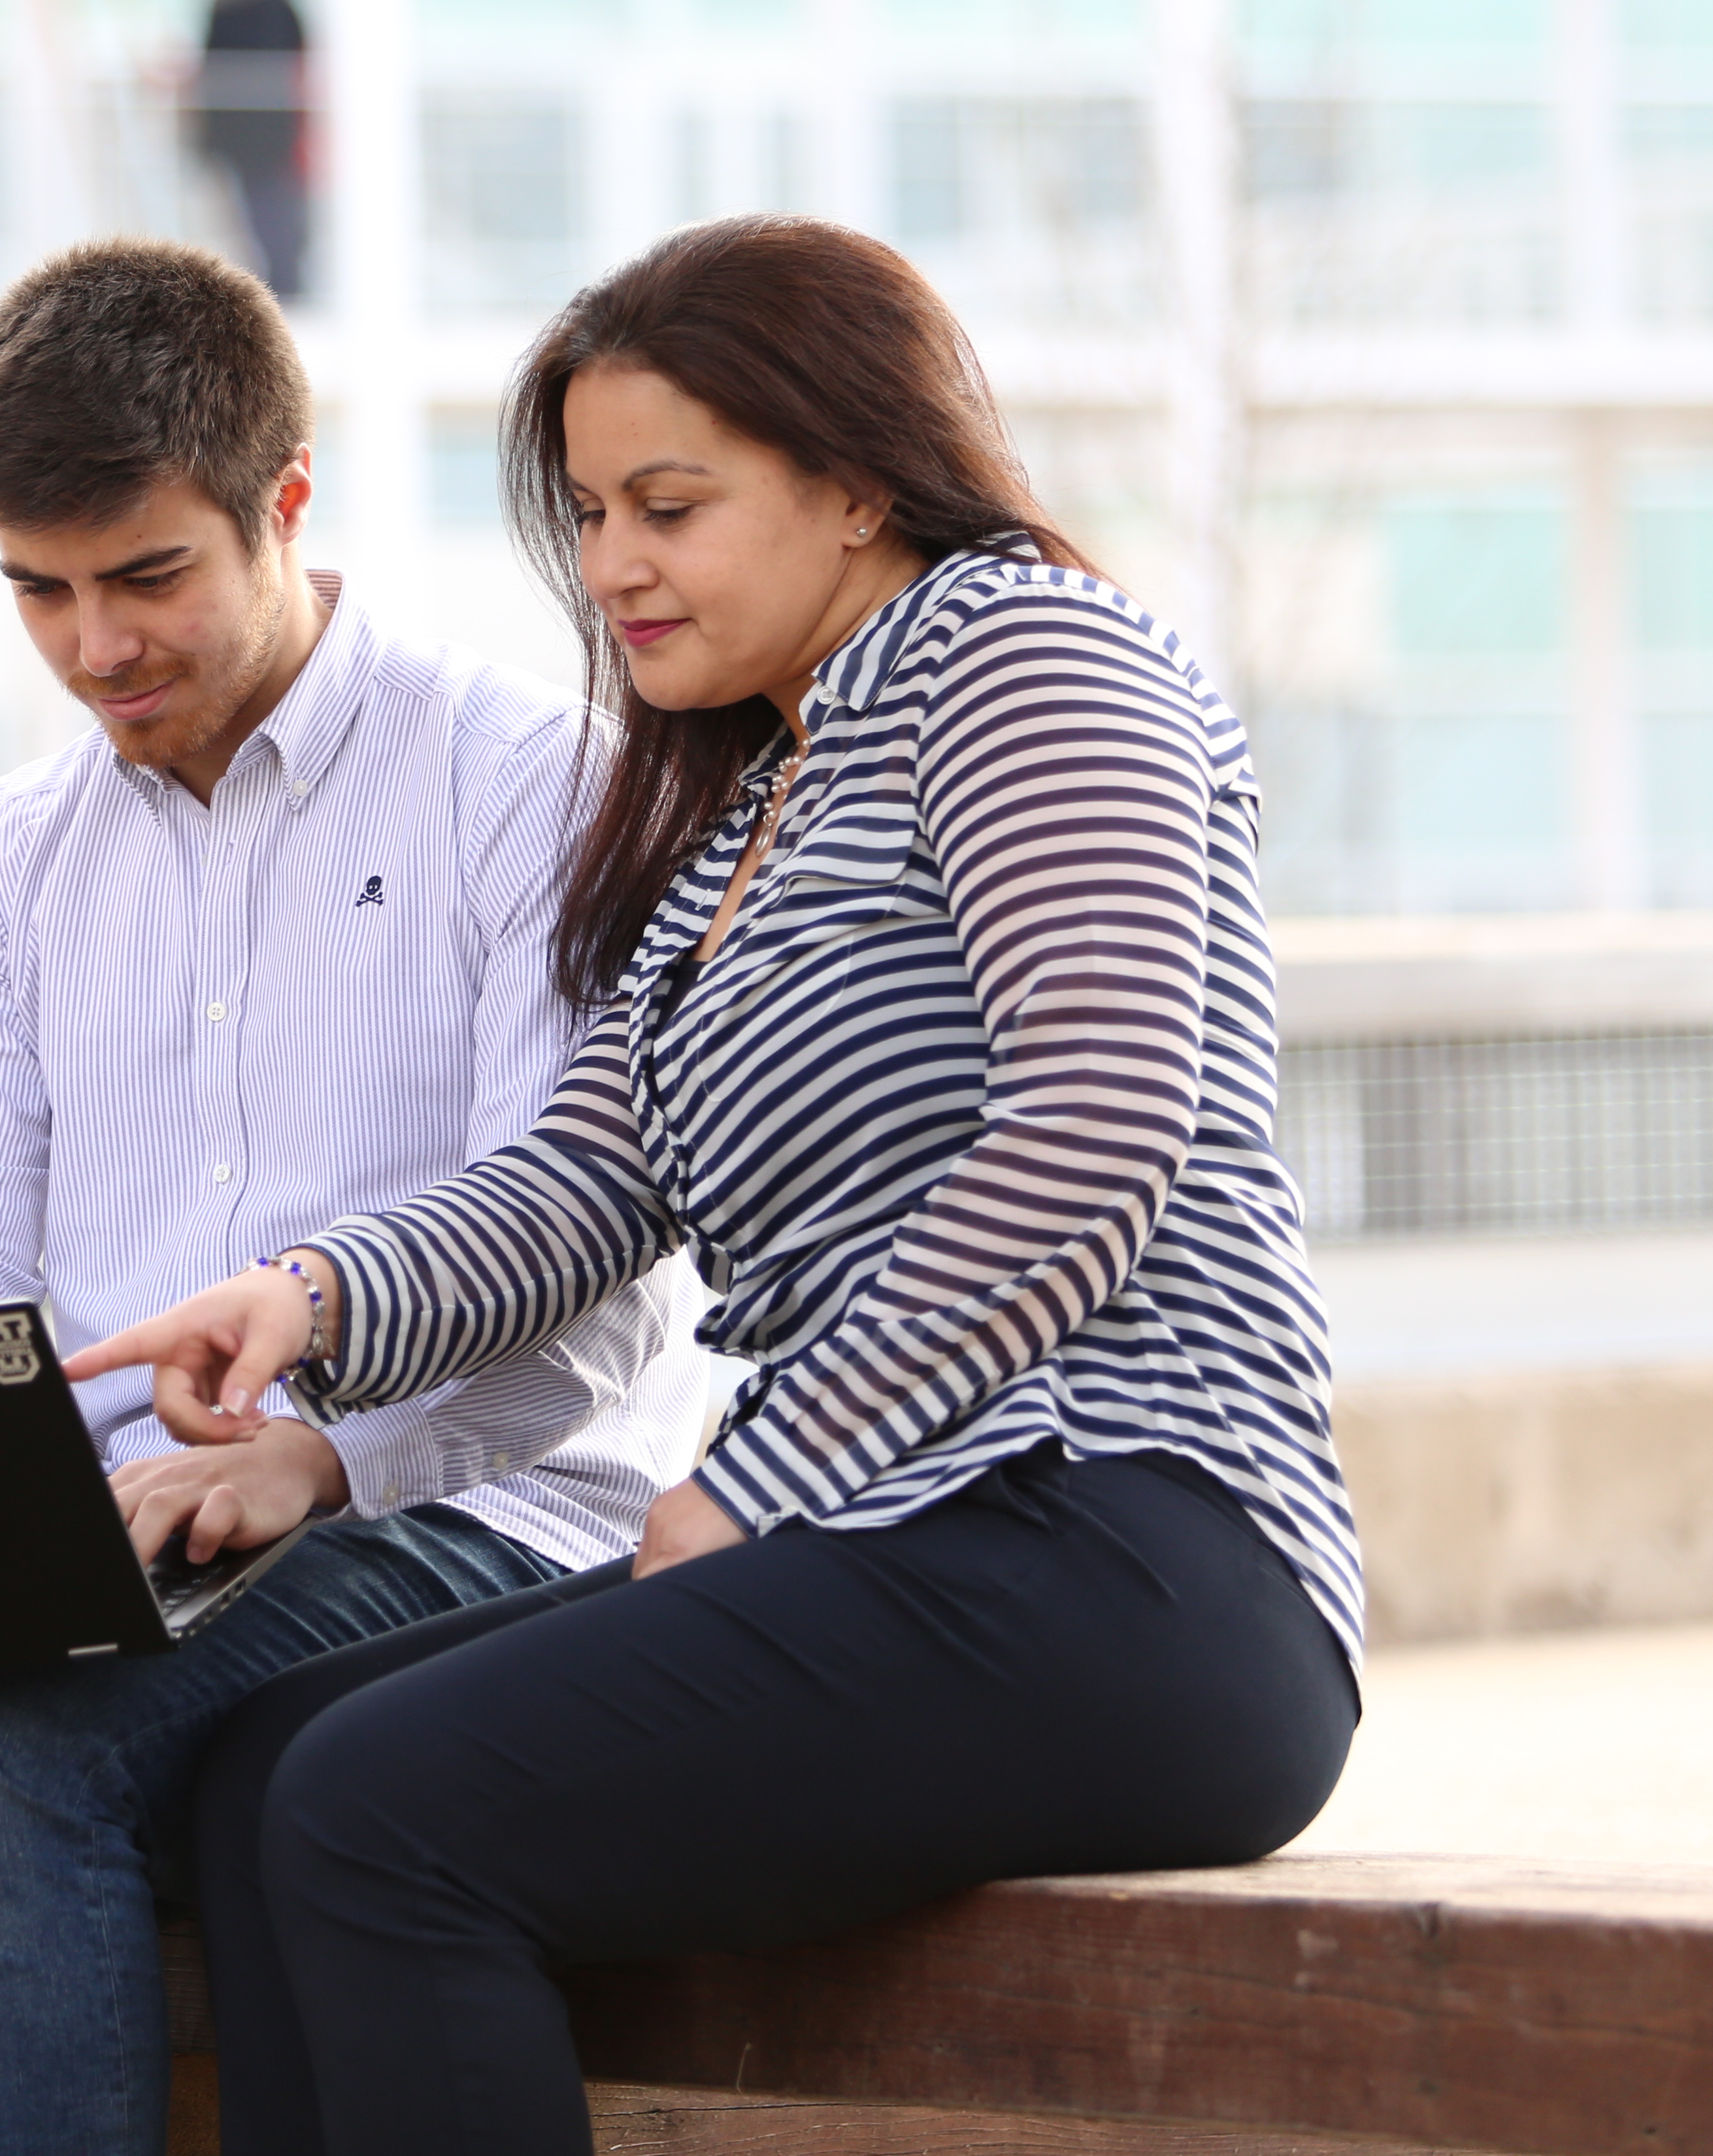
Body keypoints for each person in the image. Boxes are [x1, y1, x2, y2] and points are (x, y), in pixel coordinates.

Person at [74, 217, 1365, 2156]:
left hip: (1128, 1539)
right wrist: (312, 1300)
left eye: (668, 505)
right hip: (906, 1546)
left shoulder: (1025, 654)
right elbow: (593, 1177)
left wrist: (762, 1477)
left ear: (855, 478)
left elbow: (1104, 1119)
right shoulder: (748, 803)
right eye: (591, 513)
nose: (611, 567)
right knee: (266, 1769)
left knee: (373, 1812)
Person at [0, 238, 713, 2156]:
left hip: (469, 1504)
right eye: (38, 590)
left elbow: (591, 1267)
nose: (94, 646)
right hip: (70, 1542)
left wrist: (318, 1449)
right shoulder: (4, 874)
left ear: (282, 504)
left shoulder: (526, 786)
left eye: (146, 577)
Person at [192, 0, 308, 299]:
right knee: (271, 217)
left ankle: (279, 289)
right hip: (264, 133)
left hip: (256, 135)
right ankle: (280, 289)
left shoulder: (235, 8)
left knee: (266, 217)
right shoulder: (273, 7)